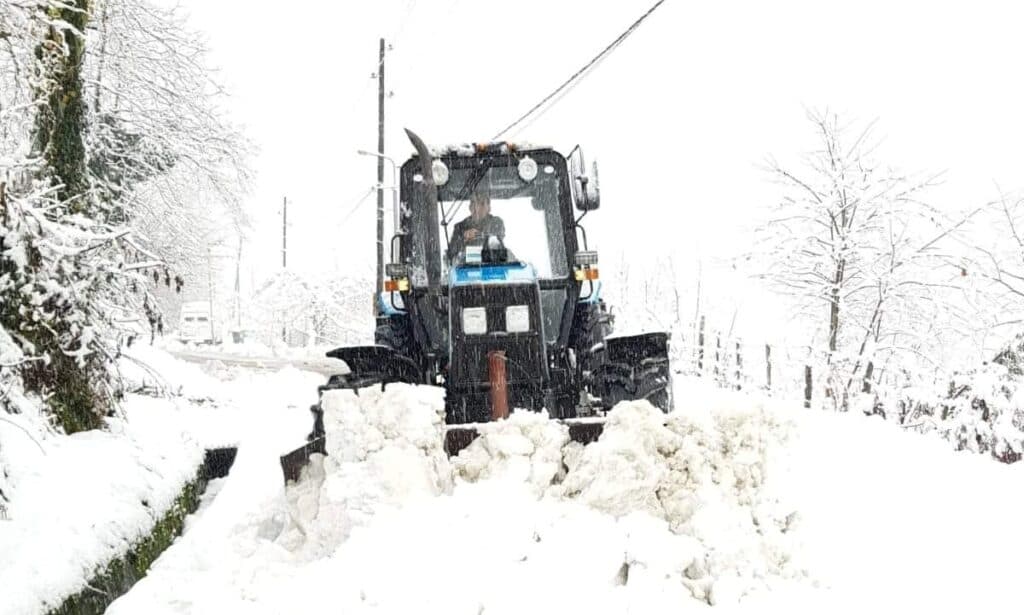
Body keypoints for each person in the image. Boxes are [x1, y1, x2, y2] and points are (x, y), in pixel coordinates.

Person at [448, 189, 505, 261]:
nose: (476, 208)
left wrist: (478, 235)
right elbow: (451, 253)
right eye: (473, 203)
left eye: (481, 203)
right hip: (466, 268)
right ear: (469, 207)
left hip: (492, 265)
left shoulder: (496, 222)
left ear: (489, 207)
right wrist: (463, 239)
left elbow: (496, 236)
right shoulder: (460, 227)